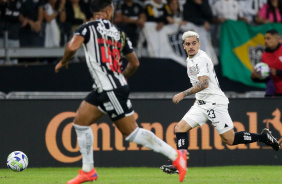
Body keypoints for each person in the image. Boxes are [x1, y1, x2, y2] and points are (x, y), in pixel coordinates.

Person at [55, 0, 187, 183]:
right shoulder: (119, 33)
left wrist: (63, 61)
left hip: (110, 89)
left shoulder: (86, 28)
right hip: (106, 87)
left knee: (132, 132)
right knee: (80, 122)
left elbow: (71, 47)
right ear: (109, 11)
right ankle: (88, 171)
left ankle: (176, 156)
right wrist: (122, 78)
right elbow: (134, 63)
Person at [161, 31, 280, 174]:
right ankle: (179, 164)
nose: (191, 46)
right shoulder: (190, 59)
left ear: (199, 44)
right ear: (184, 46)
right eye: (188, 44)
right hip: (202, 103)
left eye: (194, 43)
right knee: (180, 128)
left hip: (215, 103)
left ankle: (263, 137)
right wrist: (198, 100)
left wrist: (183, 94)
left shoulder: (201, 59)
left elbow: (204, 83)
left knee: (230, 140)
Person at [251, 29, 282, 97]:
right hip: (272, 94)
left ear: (276, 39)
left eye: (268, 38)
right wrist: (255, 77)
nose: (265, 41)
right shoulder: (264, 55)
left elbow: (276, 73)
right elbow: (266, 77)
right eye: (265, 38)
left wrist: (278, 72)